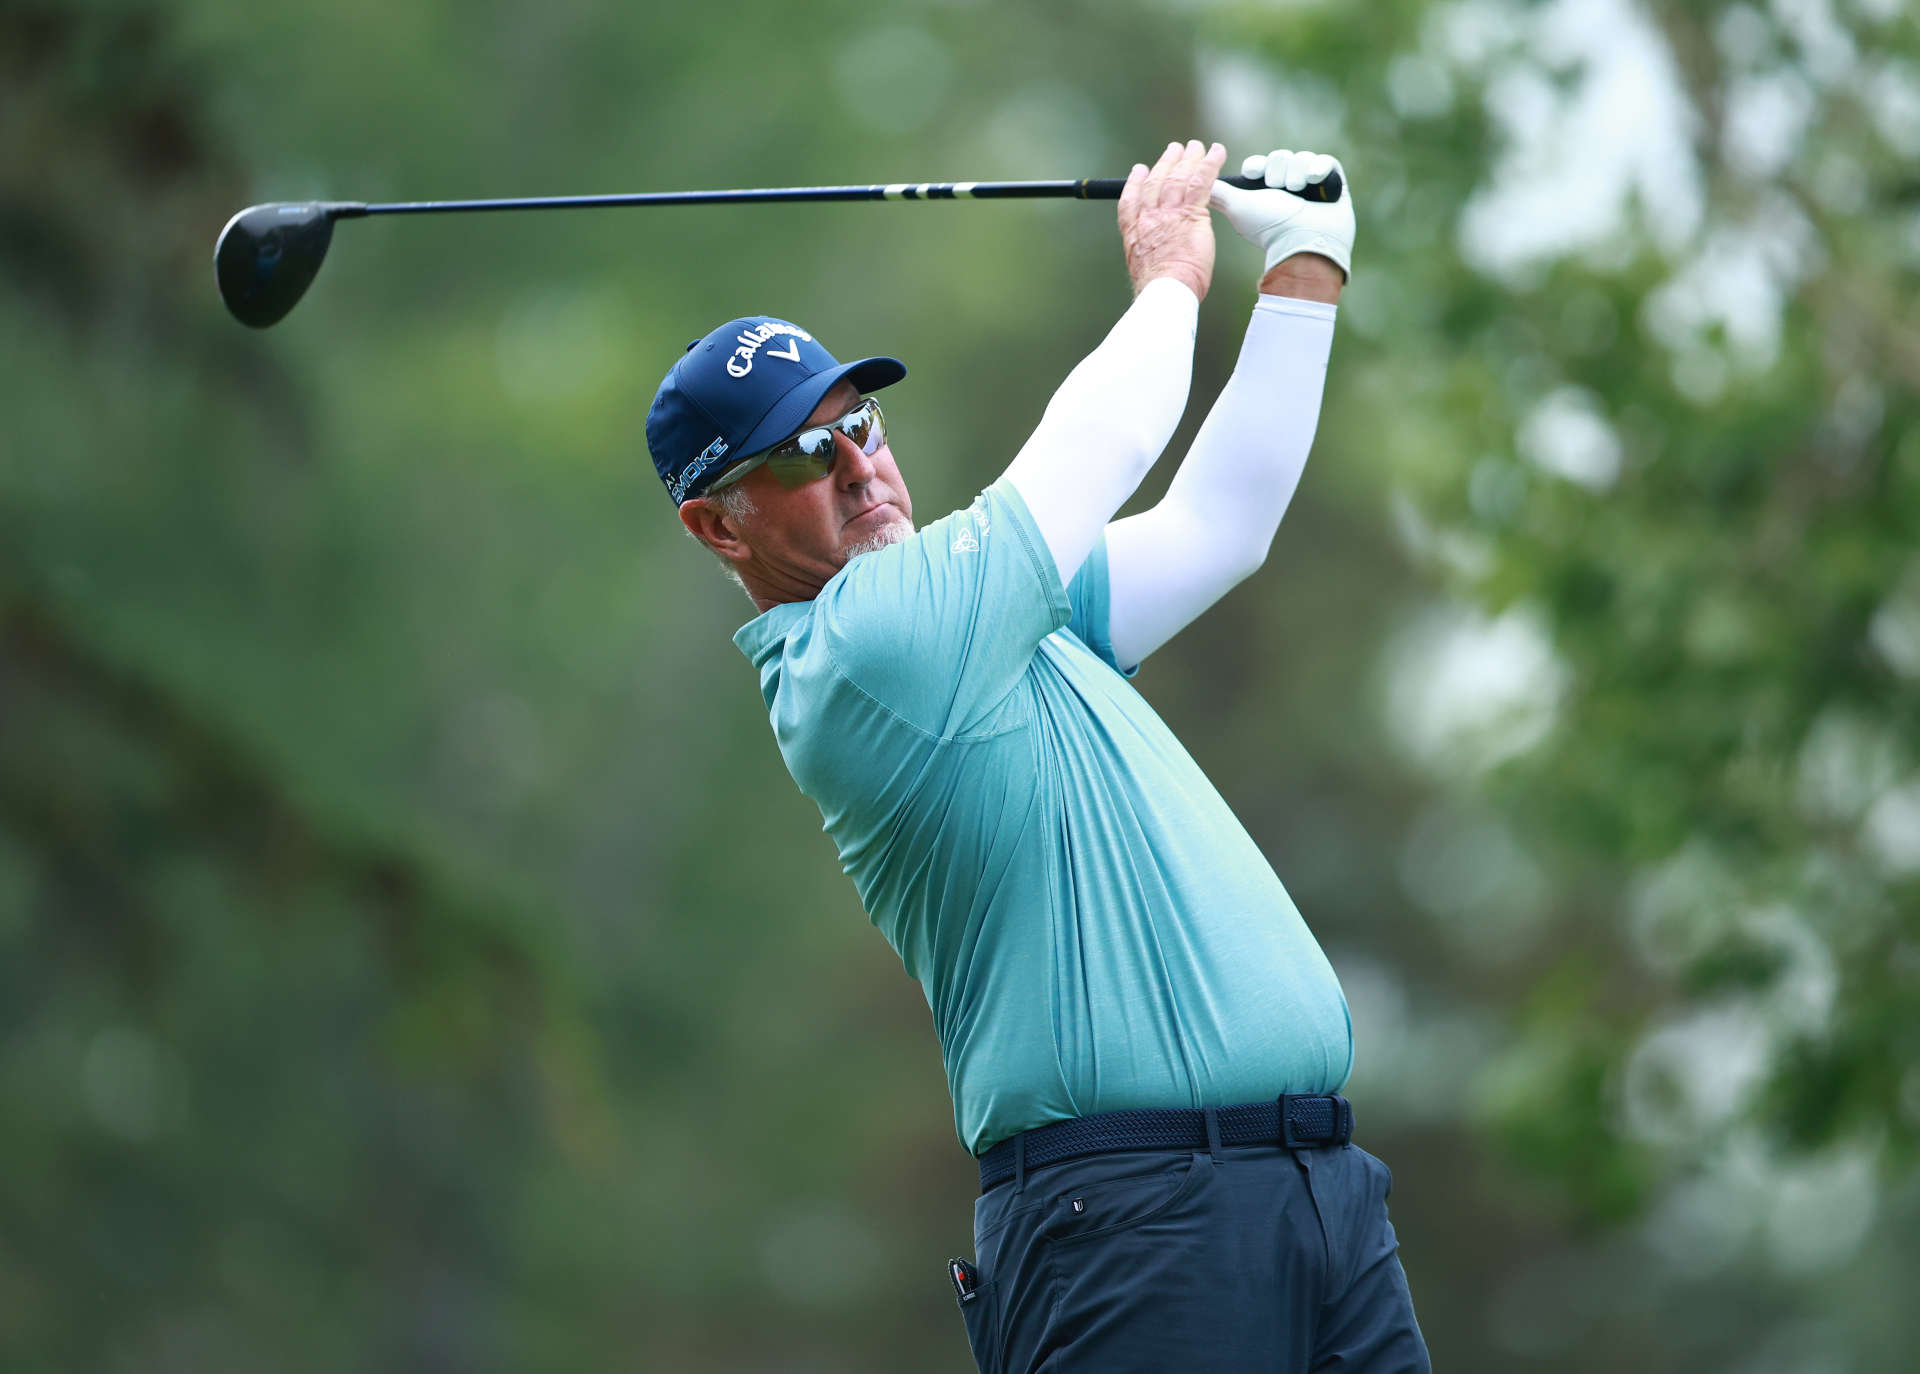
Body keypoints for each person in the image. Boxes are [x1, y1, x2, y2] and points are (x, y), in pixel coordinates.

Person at [647, 139, 1428, 1373]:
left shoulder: (997, 618)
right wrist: (1169, 272)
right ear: (715, 524)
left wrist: (1306, 259)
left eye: (860, 422)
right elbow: (1107, 436)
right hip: (1131, 1222)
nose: (860, 467)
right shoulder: (870, 652)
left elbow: (1223, 524)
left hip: (1318, 1196)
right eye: (804, 456)